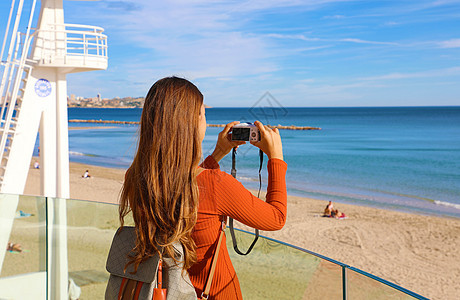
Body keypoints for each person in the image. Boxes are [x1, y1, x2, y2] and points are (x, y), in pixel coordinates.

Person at [119, 77, 287, 300]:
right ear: (192, 123)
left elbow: (183, 186)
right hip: (214, 294)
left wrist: (217, 154)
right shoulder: (216, 184)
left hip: (164, 291)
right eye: (203, 113)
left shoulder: (136, 177)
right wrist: (276, 158)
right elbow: (276, 218)